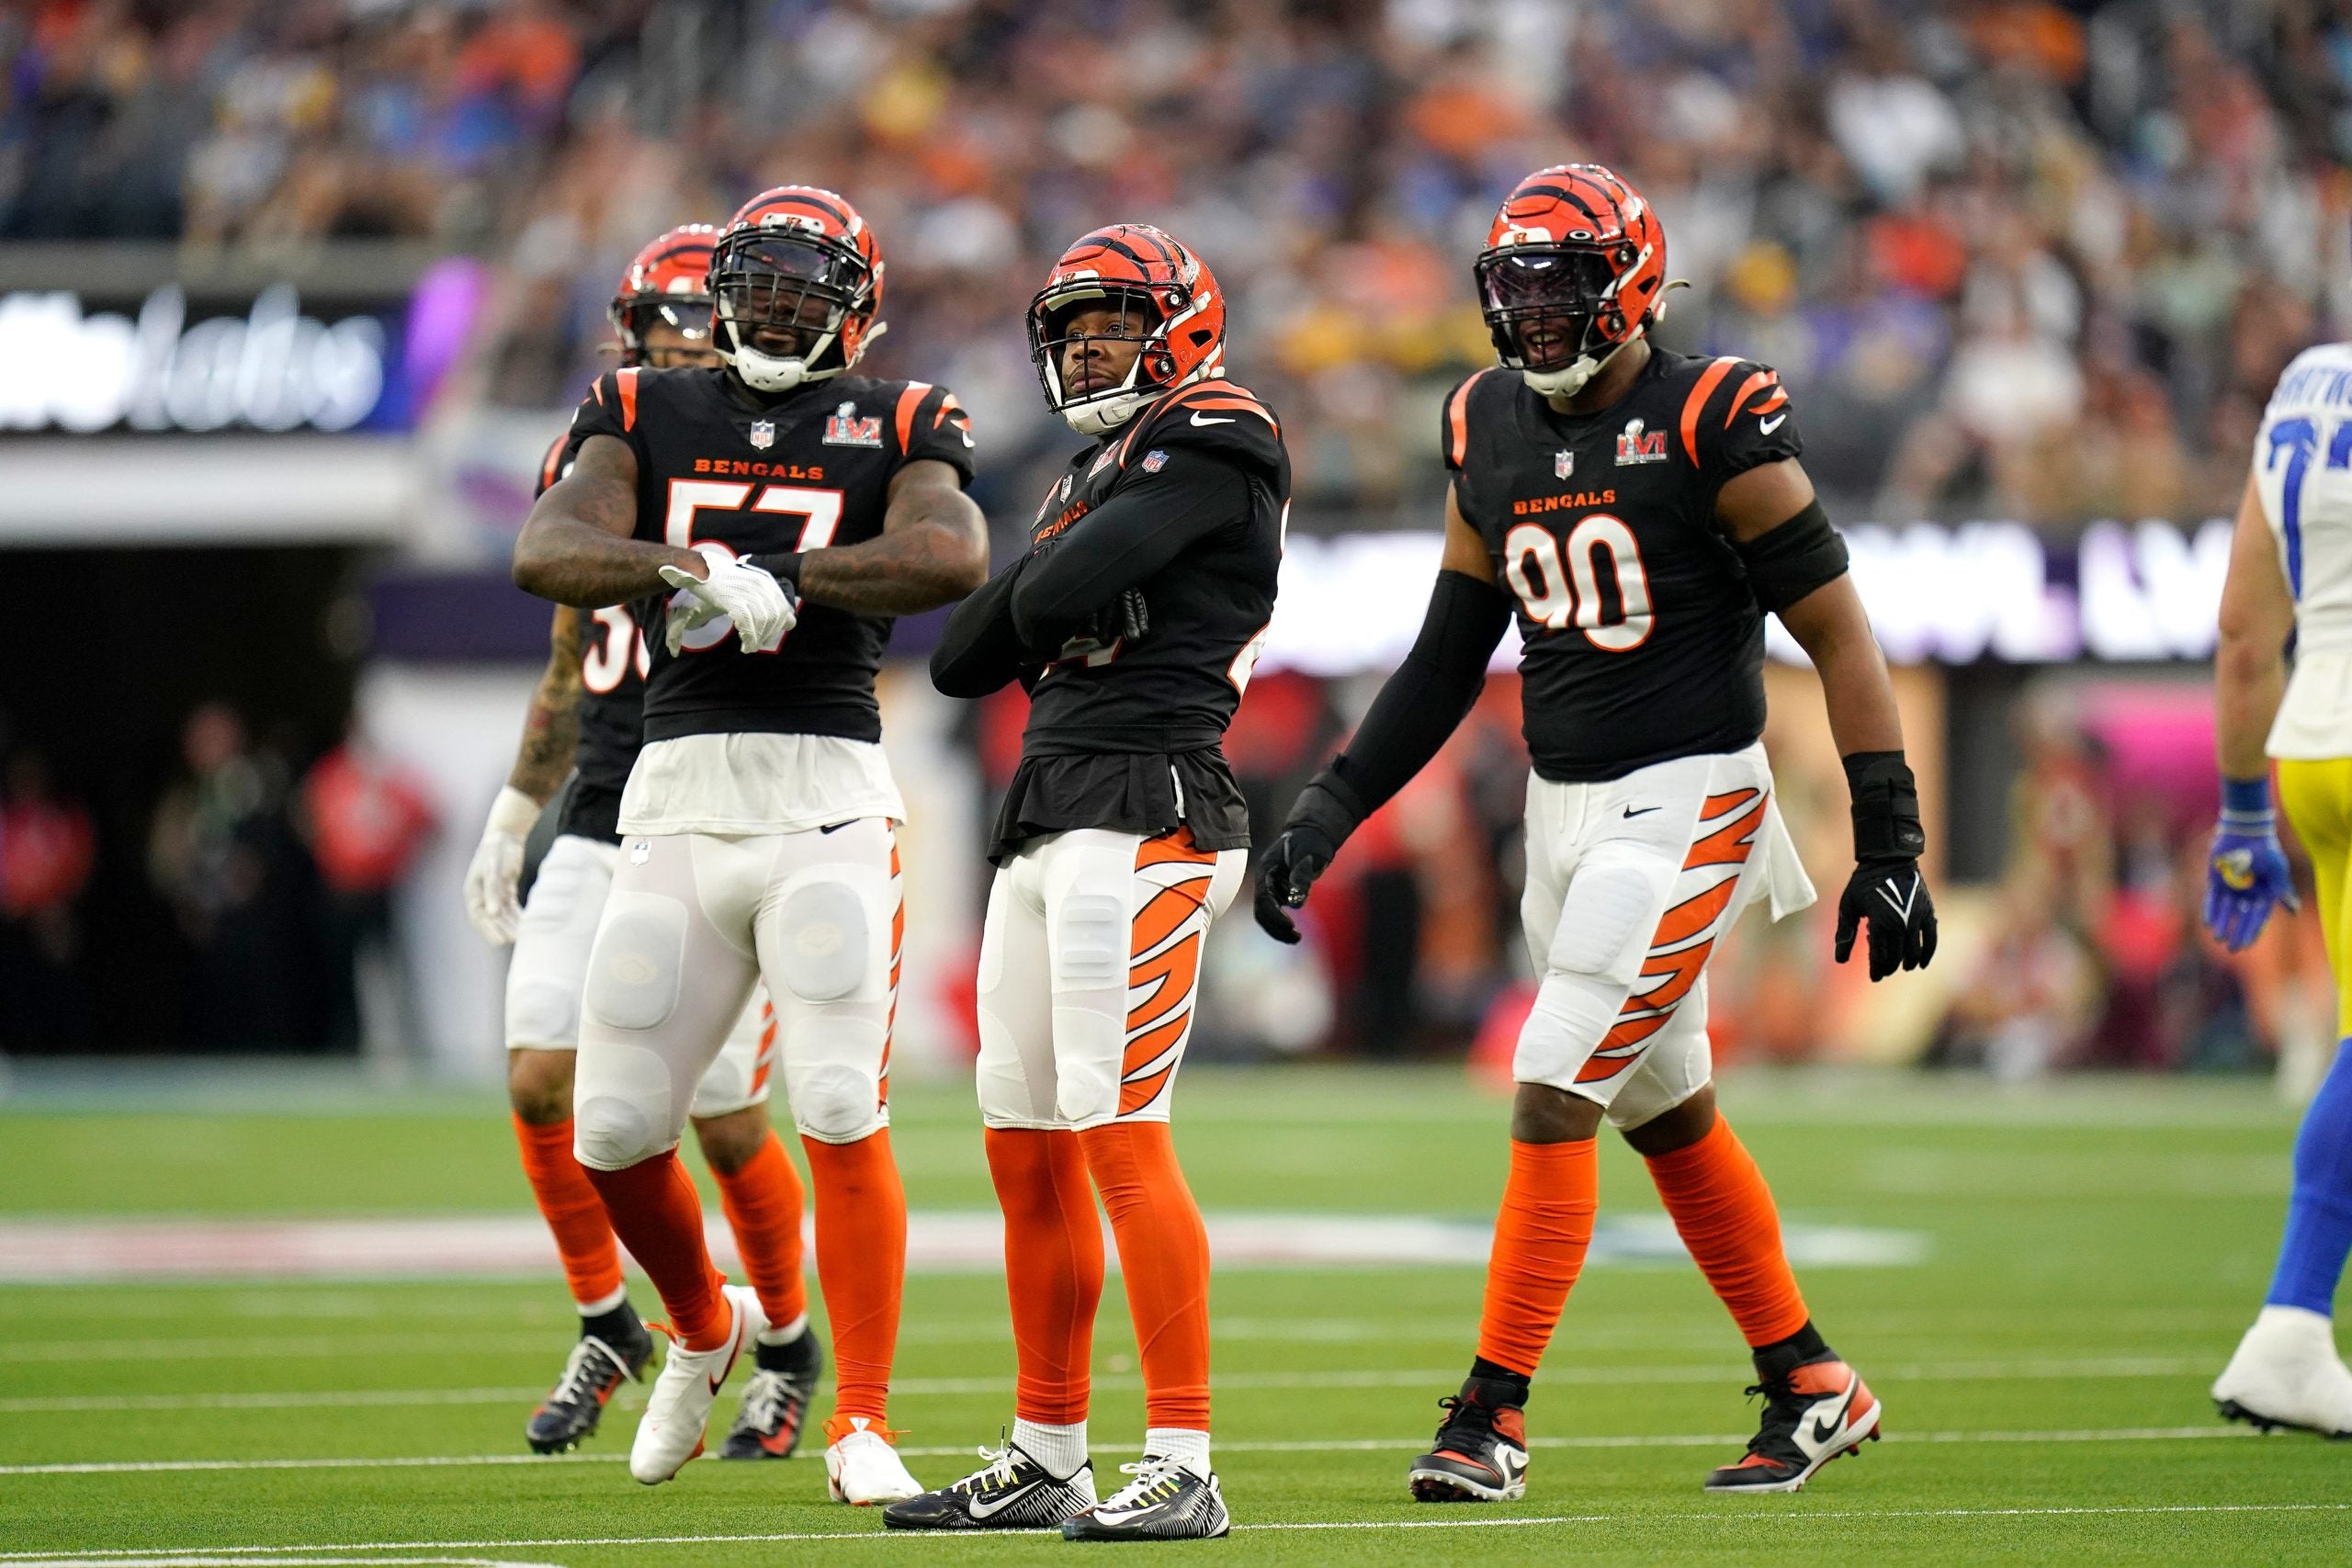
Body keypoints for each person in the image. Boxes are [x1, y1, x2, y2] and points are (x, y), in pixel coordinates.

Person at [1254, 165, 1938, 1500]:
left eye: (1560, 282)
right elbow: (1449, 655)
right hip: (1562, 816)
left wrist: (1892, 836)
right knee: (1665, 1107)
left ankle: (1490, 1415)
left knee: (1553, 1074)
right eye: (1513, 284)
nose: (1535, 311)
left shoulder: (1711, 414)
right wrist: (1329, 807)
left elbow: (1838, 630)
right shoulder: (1482, 421)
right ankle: (1810, 1380)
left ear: (1628, 279)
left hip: (1692, 799)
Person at [512, 185, 985, 1496]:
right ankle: (706, 1330)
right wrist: (685, 567)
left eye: (805, 286)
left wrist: (791, 579)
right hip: (671, 796)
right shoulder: (636, 407)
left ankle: (863, 1421)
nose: (777, 306)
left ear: (858, 310)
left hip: (825, 794)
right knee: (611, 1129)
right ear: (722, 291)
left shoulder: (904, 414)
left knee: (836, 1102)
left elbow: (951, 551)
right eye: (760, 282)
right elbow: (547, 545)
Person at [890, 223, 1284, 1541]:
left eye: (1108, 326)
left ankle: (1184, 1455)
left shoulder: (1220, 428)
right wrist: (1041, 589)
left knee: (1120, 1135)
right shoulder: (1085, 474)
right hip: (1048, 811)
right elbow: (961, 656)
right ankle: (1049, 1445)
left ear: (1178, 324)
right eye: (1068, 332)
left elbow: (1067, 587)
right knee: (1024, 1147)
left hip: (1154, 804)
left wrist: (1040, 593)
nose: (1083, 351)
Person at [463, 225, 825, 1463]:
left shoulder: (776, 443)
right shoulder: (611, 442)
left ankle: (786, 1336)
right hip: (606, 794)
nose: (678, 343)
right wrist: (519, 804)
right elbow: (572, 644)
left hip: (722, 800)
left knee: (724, 1118)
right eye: (660, 321)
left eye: (695, 318)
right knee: (537, 1078)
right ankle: (618, 1318)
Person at [2205, 339, 2352, 1438]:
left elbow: (2248, 628)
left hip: (2313, 750)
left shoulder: (2306, 379)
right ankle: (2290, 1326)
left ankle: (2293, 1331)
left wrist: (2245, 808)